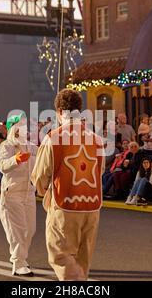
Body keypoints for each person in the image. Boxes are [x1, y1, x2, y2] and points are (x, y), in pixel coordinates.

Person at [31, 89, 104, 281]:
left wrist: (43, 191)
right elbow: (100, 170)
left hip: (65, 204)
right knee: (83, 259)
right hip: (93, 205)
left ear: (58, 111)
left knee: (61, 254)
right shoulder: (96, 139)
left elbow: (40, 175)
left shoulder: (53, 137)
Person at [0, 114, 37, 277]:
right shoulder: (6, 146)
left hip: (29, 194)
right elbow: (2, 166)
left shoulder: (31, 146)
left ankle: (20, 257)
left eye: (24, 126)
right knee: (18, 230)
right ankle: (18, 263)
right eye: (19, 126)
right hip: (12, 193)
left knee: (30, 229)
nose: (22, 129)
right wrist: (16, 159)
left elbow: (43, 160)